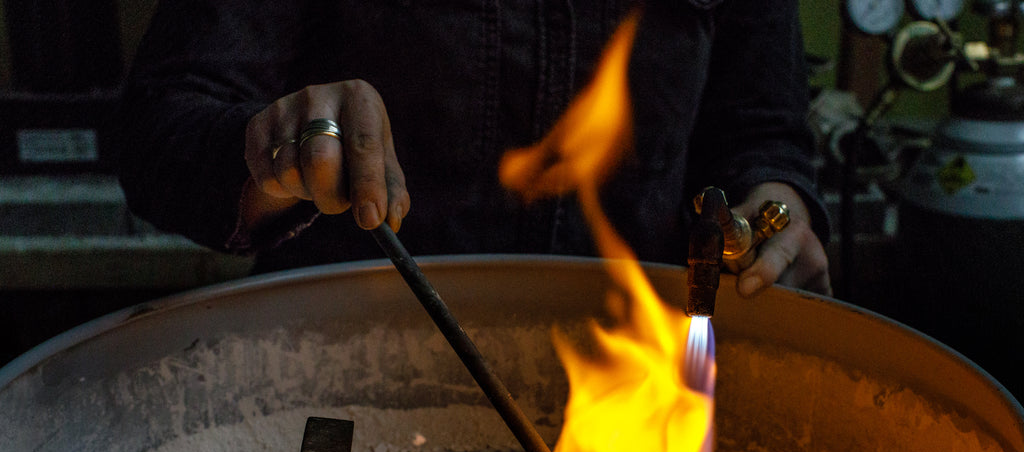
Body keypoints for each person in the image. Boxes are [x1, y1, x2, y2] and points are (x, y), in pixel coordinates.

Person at [118, 0, 831, 297]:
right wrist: (277, 152)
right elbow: (159, 129)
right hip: (345, 401)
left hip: (636, 417)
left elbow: (760, 131)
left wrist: (775, 206)